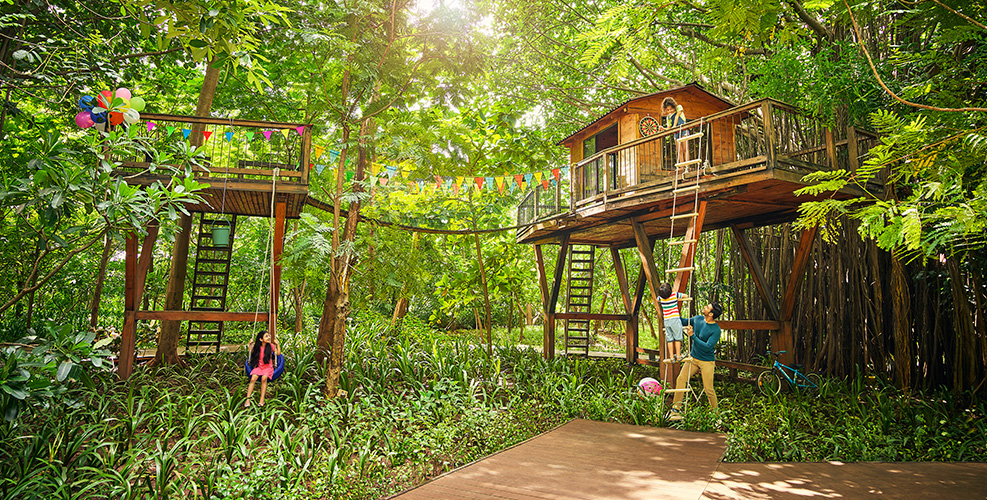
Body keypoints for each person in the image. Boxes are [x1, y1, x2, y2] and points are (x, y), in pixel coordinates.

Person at [669, 302, 722, 420]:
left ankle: (716, 415)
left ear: (711, 314)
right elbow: (683, 321)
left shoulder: (716, 330)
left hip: (707, 361)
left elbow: (708, 347)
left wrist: (693, 336)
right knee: (681, 379)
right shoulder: (698, 319)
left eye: (707, 307)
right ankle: (675, 409)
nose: (705, 307)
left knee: (708, 389)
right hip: (693, 358)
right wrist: (672, 311)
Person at [244, 330, 280, 408]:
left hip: (268, 367)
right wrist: (250, 344)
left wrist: (277, 344)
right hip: (259, 367)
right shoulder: (257, 347)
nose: (269, 337)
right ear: (261, 339)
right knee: (253, 379)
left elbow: (278, 353)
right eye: (266, 336)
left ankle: (262, 399)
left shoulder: (271, 346)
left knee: (264, 378)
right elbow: (251, 352)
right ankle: (248, 399)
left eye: (269, 336)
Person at [658, 282, 689, 363]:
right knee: (678, 338)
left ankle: (671, 357)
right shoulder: (674, 295)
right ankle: (678, 356)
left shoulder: (660, 298)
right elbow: (685, 296)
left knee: (670, 339)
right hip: (675, 319)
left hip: (666, 320)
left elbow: (658, 298)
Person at [659, 97, 689, 167]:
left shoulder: (679, 108)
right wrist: (663, 128)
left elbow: (677, 116)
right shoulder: (668, 117)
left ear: (674, 107)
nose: (670, 111)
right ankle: (682, 166)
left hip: (683, 130)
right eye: (668, 110)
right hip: (676, 133)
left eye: (671, 109)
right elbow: (669, 127)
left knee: (685, 149)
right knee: (679, 150)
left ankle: (687, 165)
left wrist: (674, 126)